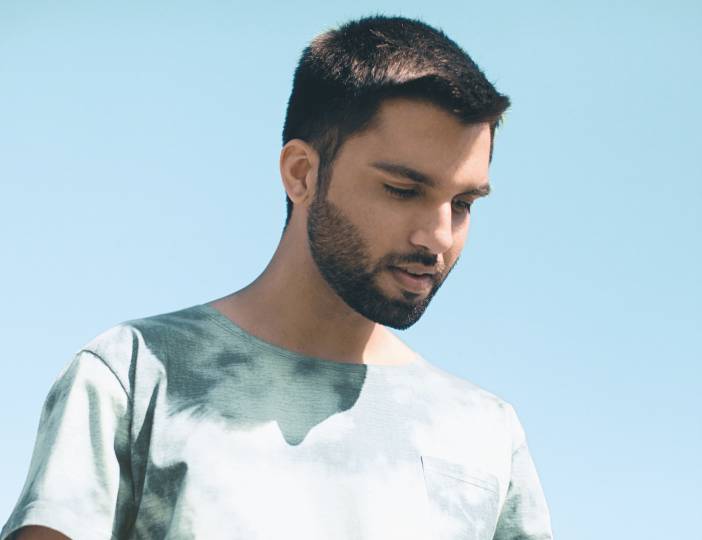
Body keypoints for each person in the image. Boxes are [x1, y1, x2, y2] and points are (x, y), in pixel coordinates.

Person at [2, 15, 553, 540]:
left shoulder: (485, 434)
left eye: (462, 204)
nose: (437, 237)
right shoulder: (135, 375)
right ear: (302, 173)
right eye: (403, 191)